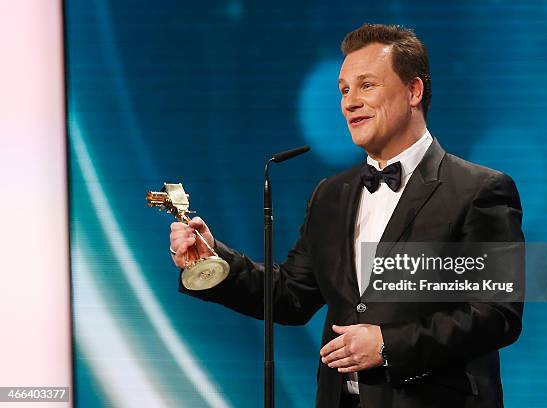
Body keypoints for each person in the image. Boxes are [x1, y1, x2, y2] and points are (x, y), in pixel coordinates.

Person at [169, 23, 524, 408]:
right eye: (343, 89)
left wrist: (388, 345)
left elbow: (496, 313)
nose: (349, 102)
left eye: (366, 85)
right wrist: (213, 261)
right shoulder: (331, 195)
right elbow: (290, 295)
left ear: (413, 91)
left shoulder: (479, 190)